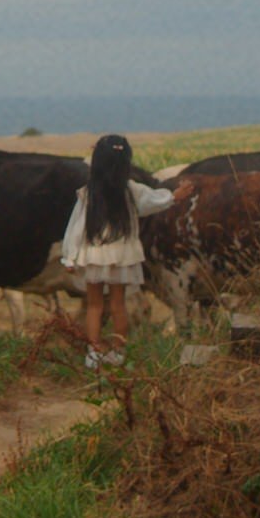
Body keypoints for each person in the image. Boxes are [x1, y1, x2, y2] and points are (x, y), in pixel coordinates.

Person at [60, 134, 195, 368]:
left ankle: (94, 352)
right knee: (118, 304)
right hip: (122, 256)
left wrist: (69, 257)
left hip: (94, 254)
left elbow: (76, 227)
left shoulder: (88, 193)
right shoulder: (131, 190)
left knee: (94, 305)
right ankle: (118, 351)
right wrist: (174, 197)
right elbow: (153, 202)